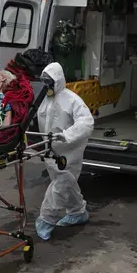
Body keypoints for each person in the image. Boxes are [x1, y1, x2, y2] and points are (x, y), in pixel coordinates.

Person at [35, 63, 94, 241]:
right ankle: (78, 211)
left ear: (58, 81)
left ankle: (46, 219)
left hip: (70, 151)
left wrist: (67, 135)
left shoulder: (72, 100)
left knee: (60, 184)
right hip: (52, 151)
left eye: (50, 83)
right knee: (66, 182)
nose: (47, 87)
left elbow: (87, 122)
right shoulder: (44, 99)